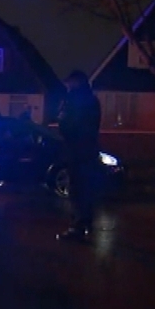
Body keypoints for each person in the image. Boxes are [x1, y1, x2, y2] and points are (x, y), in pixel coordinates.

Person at [56, 70, 103, 242]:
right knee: (87, 188)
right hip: (89, 149)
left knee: (76, 189)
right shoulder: (92, 100)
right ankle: (86, 222)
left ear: (75, 82)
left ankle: (76, 226)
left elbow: (66, 123)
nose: (67, 85)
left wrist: (62, 122)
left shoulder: (73, 100)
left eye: (69, 82)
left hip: (76, 150)